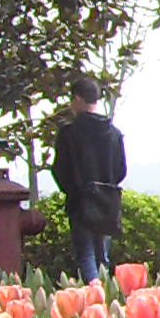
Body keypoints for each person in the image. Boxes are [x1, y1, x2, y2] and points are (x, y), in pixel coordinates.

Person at [54, 73, 127, 286]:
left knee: (86, 255)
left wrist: (73, 189)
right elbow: (121, 170)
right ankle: (106, 298)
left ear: (77, 99)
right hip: (107, 202)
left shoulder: (69, 133)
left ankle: (93, 297)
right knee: (102, 256)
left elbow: (60, 169)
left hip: (80, 201)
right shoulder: (113, 133)